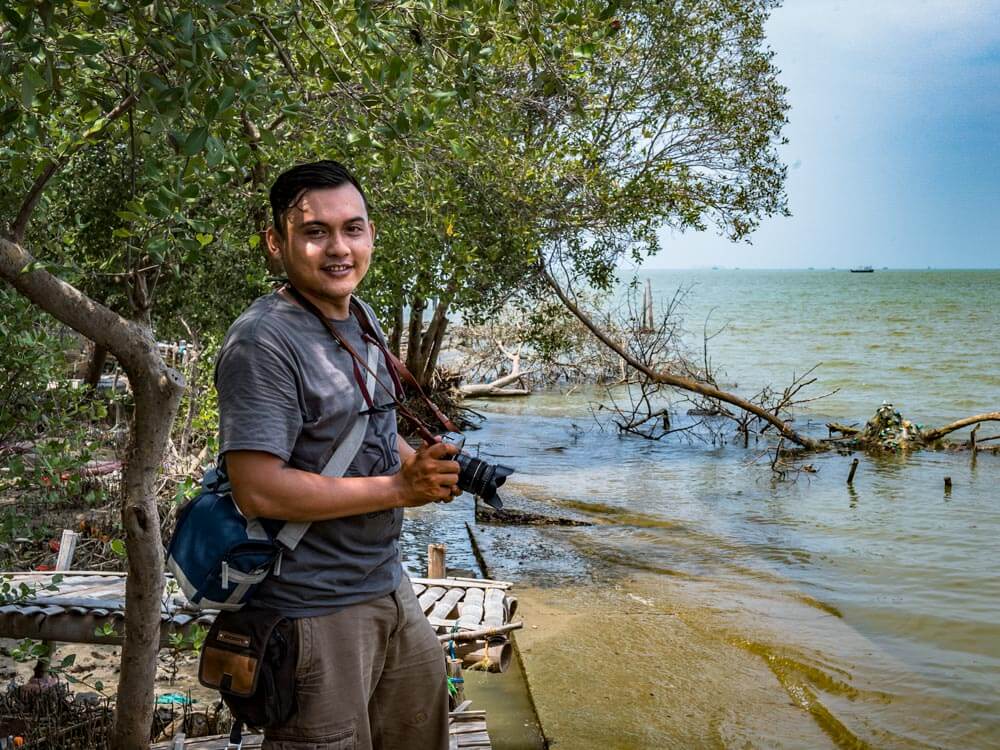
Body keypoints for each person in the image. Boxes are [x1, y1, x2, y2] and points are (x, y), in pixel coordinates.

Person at [214, 160, 461, 750]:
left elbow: (370, 432)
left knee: (423, 728)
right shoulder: (262, 341)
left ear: (371, 234)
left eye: (352, 229)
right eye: (315, 232)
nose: (338, 248)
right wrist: (402, 491)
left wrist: (421, 466)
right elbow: (260, 489)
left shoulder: (360, 318)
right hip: (311, 607)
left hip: (386, 584)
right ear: (277, 244)